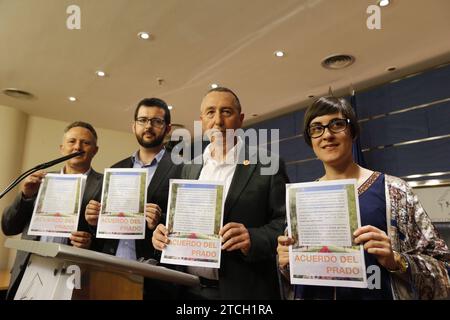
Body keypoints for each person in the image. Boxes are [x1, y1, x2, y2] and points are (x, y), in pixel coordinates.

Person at [277, 96, 450, 300]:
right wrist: (286, 262)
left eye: (337, 124)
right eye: (316, 128)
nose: (327, 135)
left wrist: (397, 260)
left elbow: (443, 268)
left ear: (353, 132)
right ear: (310, 140)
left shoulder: (395, 191)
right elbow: (295, 279)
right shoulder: (301, 200)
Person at [152, 87, 289, 299]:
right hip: (188, 288)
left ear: (240, 119)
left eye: (226, 112)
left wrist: (253, 238)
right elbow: (180, 221)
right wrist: (162, 232)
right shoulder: (189, 168)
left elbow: (284, 222)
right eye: (210, 112)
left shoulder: (267, 165)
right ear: (202, 121)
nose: (218, 121)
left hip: (245, 291)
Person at [84, 97, 182, 299]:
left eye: (156, 121)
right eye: (143, 120)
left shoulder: (182, 167)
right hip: (111, 267)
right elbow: (103, 225)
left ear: (168, 128)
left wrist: (160, 221)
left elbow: (189, 219)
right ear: (133, 126)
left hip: (156, 277)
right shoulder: (116, 169)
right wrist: (94, 220)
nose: (148, 126)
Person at [1, 121, 103, 300]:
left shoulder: (105, 185)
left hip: (73, 275)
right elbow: (9, 227)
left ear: (95, 150)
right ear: (62, 148)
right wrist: (25, 196)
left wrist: (91, 242)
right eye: (71, 141)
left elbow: (114, 243)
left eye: (85, 142)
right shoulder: (39, 182)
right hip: (29, 270)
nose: (77, 146)